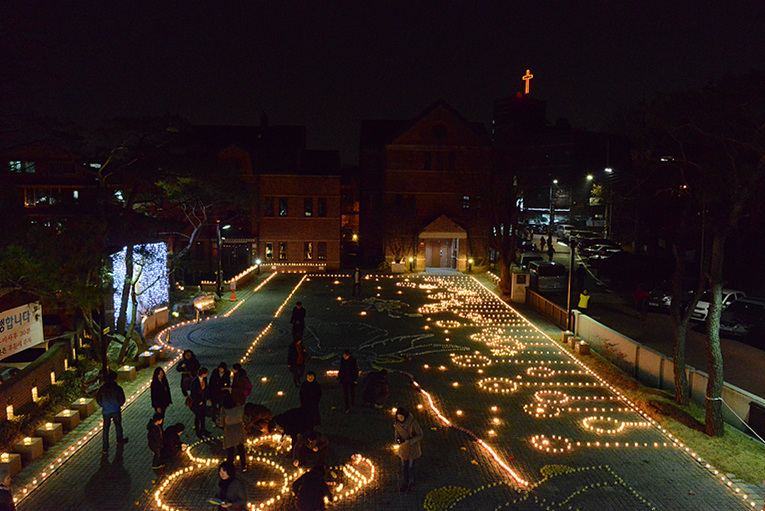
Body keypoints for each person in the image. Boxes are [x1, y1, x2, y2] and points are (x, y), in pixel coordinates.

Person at [96, 370, 128, 455]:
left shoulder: (102, 388)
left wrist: (103, 405)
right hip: (115, 410)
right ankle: (119, 440)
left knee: (106, 429)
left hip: (106, 411)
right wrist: (118, 405)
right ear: (115, 379)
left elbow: (98, 399)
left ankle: (105, 448)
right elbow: (122, 399)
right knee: (118, 425)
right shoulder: (117, 388)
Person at [393, 407, 423, 494]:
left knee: (411, 467)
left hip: (412, 448)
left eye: (401, 417)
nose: (400, 419)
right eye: (398, 417)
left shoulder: (413, 423)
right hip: (403, 448)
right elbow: (397, 435)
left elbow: (420, 434)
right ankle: (405, 482)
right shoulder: (397, 424)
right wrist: (398, 440)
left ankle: (411, 482)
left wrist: (410, 441)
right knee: (404, 467)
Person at [221, 394, 247, 471]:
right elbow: (242, 416)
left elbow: (222, 422)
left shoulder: (224, 409)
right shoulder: (238, 406)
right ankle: (243, 465)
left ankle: (230, 467)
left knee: (230, 449)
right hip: (239, 428)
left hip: (230, 430)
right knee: (240, 448)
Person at [190, 367, 211, 438]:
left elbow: (206, 389)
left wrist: (207, 398)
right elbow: (193, 393)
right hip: (197, 402)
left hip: (203, 400)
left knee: (203, 416)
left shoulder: (204, 379)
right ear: (203, 374)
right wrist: (198, 401)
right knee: (198, 417)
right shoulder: (194, 381)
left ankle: (203, 429)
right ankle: (198, 432)